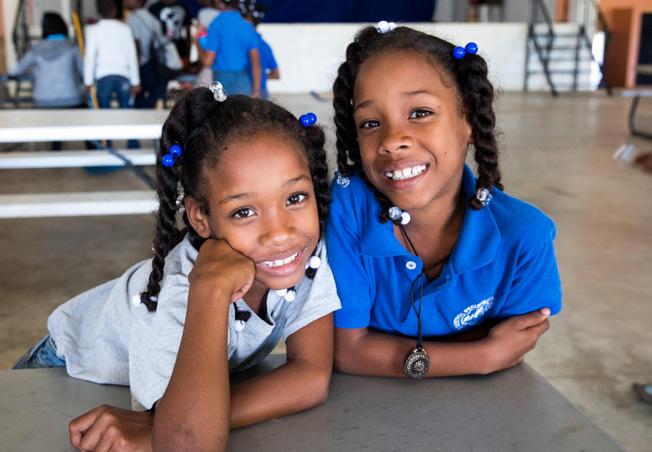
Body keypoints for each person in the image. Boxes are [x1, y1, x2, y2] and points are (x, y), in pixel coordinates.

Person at [14, 85, 340, 451]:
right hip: (61, 369)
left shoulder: (305, 252)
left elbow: (311, 375)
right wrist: (211, 290)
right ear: (200, 217)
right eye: (244, 211)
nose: (280, 233)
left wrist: (167, 422)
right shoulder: (182, 291)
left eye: (295, 198)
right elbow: (187, 444)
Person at [327, 24, 562, 379]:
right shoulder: (348, 207)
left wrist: (382, 351)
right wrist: (482, 356)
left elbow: (514, 350)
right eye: (370, 123)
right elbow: (346, 350)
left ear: (470, 120)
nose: (392, 140)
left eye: (420, 113)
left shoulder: (525, 236)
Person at [9, 12, 84, 109]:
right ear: (63, 26)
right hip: (71, 98)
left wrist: (35, 73)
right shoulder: (73, 48)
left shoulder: (35, 50)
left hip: (43, 100)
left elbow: (14, 71)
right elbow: (83, 72)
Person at [84, 0, 140, 110]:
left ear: (98, 11)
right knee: (127, 113)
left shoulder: (93, 30)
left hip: (102, 77)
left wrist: (88, 81)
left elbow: (89, 58)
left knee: (103, 114)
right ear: (115, 9)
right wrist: (135, 82)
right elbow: (132, 56)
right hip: (124, 76)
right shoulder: (125, 29)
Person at [200, 0, 262, 96]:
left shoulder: (216, 24)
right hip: (243, 79)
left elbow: (208, 62)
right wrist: (257, 90)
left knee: (221, 106)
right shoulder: (247, 25)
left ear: (219, 2)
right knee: (243, 105)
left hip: (221, 79)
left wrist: (197, 42)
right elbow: (256, 62)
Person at [124, 0, 169, 108]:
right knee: (153, 99)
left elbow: (137, 44)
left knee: (139, 102)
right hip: (155, 64)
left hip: (141, 65)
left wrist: (133, 70)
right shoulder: (151, 18)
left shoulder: (132, 18)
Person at [243, 2, 279, 99]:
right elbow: (276, 74)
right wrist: (262, 77)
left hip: (247, 92)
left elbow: (276, 74)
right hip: (261, 93)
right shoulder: (265, 45)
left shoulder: (242, 43)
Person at [148, 0, 192, 65]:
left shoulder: (183, 6)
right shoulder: (153, 9)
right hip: (162, 52)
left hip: (181, 50)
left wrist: (188, 53)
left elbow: (188, 32)